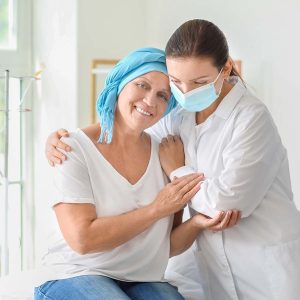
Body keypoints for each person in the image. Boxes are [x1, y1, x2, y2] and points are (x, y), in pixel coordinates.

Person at [47, 20, 300, 300]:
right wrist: (60, 139)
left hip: (263, 261)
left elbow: (225, 204)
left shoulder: (251, 117)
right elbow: (126, 129)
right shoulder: (177, 118)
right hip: (195, 264)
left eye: (199, 82)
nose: (187, 92)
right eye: (177, 83)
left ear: (225, 69)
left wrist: (177, 171)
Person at [37, 47, 239, 300]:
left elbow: (167, 246)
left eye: (163, 95)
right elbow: (82, 240)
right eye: (142, 85)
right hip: (74, 274)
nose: (150, 101)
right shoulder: (72, 148)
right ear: (120, 83)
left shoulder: (166, 154)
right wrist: (156, 208)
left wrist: (197, 222)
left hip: (140, 278)